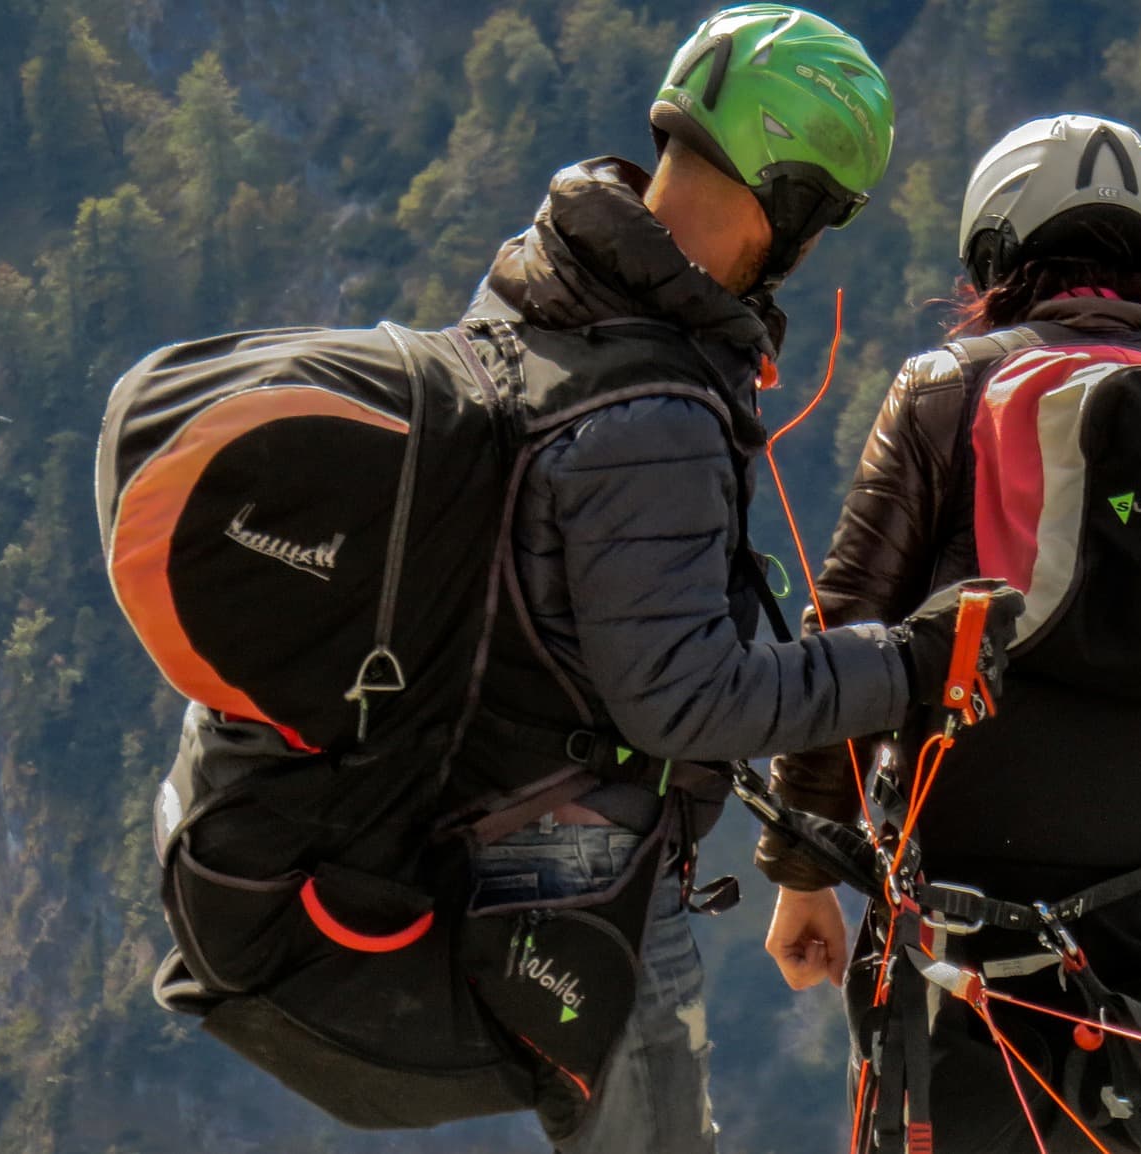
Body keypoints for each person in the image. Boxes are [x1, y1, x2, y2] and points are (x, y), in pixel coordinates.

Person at [444, 8, 1021, 1152]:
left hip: (485, 810)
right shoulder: (650, 403)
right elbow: (684, 697)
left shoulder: (539, 288)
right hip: (576, 863)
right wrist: (904, 666)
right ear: (795, 200)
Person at [757, 114, 1141, 1152]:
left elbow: (844, 645)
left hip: (958, 934)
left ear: (996, 252)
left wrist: (801, 867)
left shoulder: (943, 393)